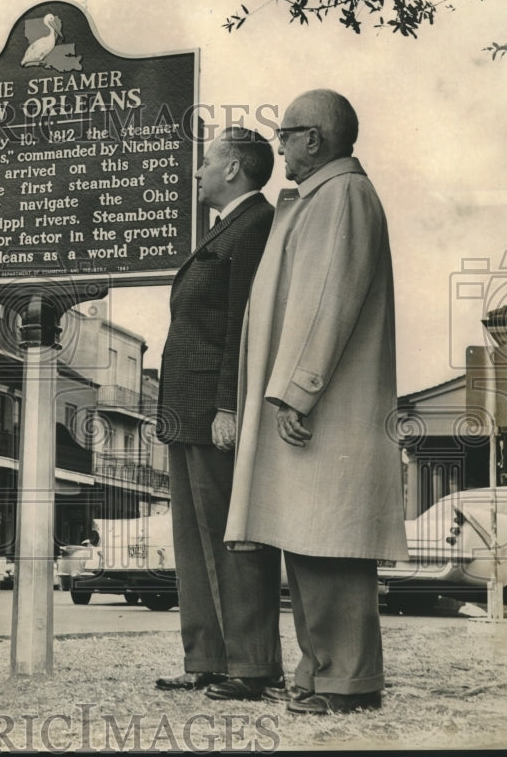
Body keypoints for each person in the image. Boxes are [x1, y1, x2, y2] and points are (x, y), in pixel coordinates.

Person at [226, 90, 408, 714]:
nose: (279, 145)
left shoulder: (342, 197)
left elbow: (324, 304)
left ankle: (345, 680)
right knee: (308, 538)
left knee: (328, 540)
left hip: (320, 405)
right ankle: (321, 671)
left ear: (316, 138)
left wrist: (297, 393)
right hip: (315, 401)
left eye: (288, 133)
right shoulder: (328, 198)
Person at [155, 127, 282, 699]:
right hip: (189, 410)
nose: (197, 172)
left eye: (206, 163)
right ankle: (206, 659)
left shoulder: (254, 226)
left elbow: (242, 327)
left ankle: (249, 666)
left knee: (232, 541)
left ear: (233, 169)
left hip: (212, 411)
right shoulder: (228, 228)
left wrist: (227, 407)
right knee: (194, 539)